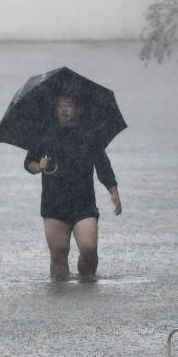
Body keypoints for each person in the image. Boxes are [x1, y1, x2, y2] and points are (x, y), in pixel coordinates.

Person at [24, 94, 122, 279]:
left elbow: (103, 165)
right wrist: (39, 166)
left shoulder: (89, 134)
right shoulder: (45, 133)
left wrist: (113, 191)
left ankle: (87, 284)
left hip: (83, 203)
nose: (64, 110)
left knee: (89, 247)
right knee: (58, 254)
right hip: (54, 203)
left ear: (77, 109)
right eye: (60, 106)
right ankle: (61, 302)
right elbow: (29, 164)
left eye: (68, 105)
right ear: (54, 110)